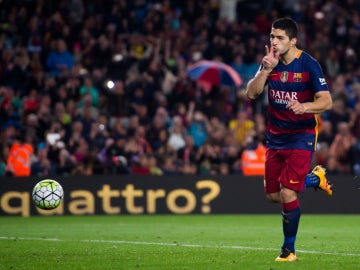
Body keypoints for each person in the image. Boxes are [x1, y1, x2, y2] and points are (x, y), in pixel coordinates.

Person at [246, 18, 334, 262]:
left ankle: (288, 251)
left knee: (287, 193)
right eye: (272, 37)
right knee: (273, 195)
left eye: (280, 38)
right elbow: (251, 93)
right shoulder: (269, 63)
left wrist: (305, 106)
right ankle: (316, 178)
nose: (274, 42)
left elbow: (327, 101)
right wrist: (265, 70)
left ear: (293, 40)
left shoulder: (309, 64)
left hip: (301, 136)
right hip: (275, 137)